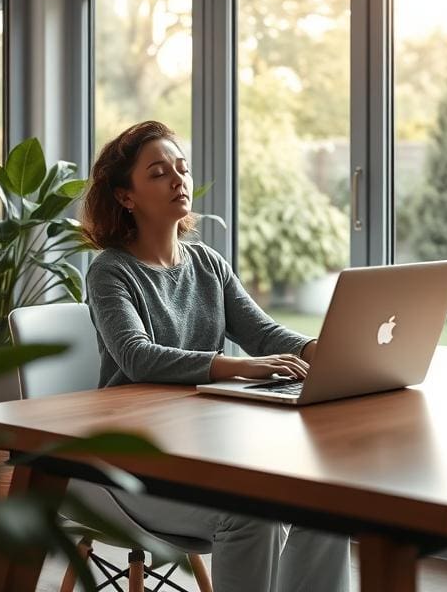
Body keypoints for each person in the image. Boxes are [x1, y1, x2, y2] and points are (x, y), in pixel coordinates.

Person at [81, 120, 351, 592]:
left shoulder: (207, 263)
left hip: (203, 449)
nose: (178, 180)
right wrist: (240, 366)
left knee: (329, 501)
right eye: (159, 173)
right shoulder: (111, 271)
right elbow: (137, 356)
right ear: (125, 197)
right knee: (251, 516)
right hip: (127, 464)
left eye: (182, 169)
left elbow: (262, 333)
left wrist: (326, 352)